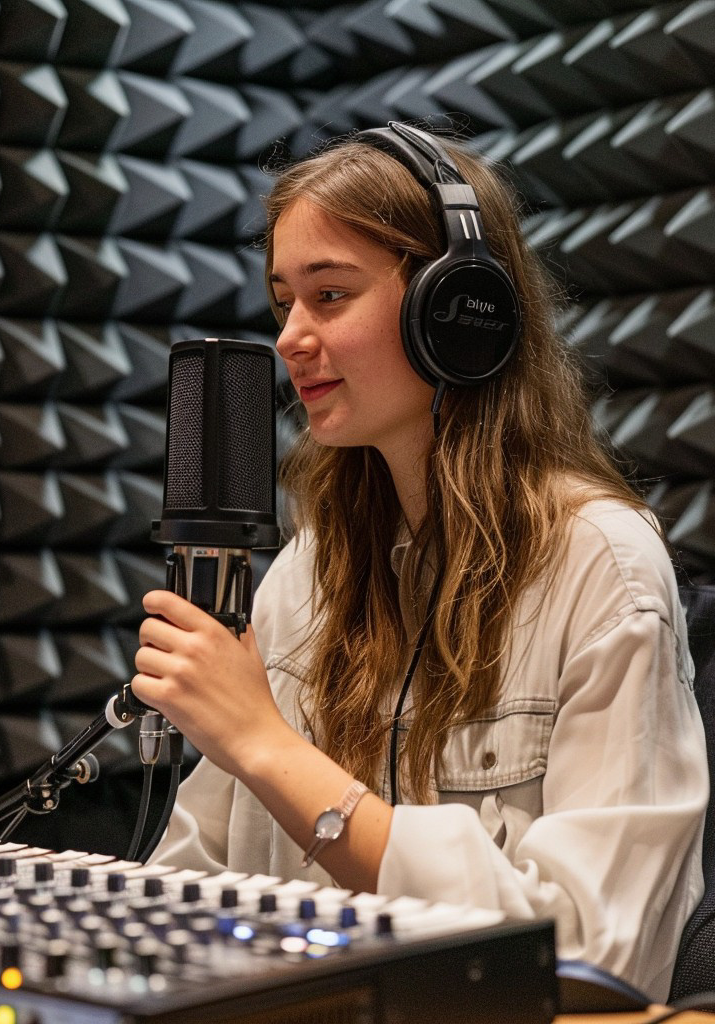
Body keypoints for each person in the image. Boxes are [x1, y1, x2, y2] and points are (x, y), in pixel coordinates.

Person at [130, 122, 708, 1001]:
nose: (290, 336)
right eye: (283, 299)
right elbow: (188, 889)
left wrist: (266, 747)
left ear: (458, 312)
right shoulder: (307, 576)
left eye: (329, 296)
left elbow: (594, 956)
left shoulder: (602, 567)